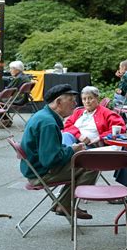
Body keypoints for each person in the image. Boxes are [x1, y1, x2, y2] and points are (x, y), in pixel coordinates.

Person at [20, 84, 98, 219]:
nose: (75, 104)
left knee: (83, 163)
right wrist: (72, 150)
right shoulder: (48, 123)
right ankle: (66, 204)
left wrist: (69, 150)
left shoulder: (42, 115)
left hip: (33, 169)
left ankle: (64, 204)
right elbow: (51, 160)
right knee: (92, 165)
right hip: (40, 174)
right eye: (71, 100)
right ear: (58, 102)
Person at [62, 86, 126, 146]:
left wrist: (100, 138)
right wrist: (78, 135)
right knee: (66, 135)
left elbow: (120, 129)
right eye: (84, 99)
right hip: (74, 140)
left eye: (90, 98)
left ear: (97, 98)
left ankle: (66, 155)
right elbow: (67, 126)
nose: (87, 102)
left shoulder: (106, 113)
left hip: (91, 145)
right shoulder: (78, 112)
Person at [0, 60, 31, 128]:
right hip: (24, 98)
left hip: (18, 99)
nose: (10, 70)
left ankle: (5, 120)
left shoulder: (18, 78)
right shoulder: (25, 77)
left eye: (12, 69)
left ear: (17, 70)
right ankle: (6, 119)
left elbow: (8, 90)